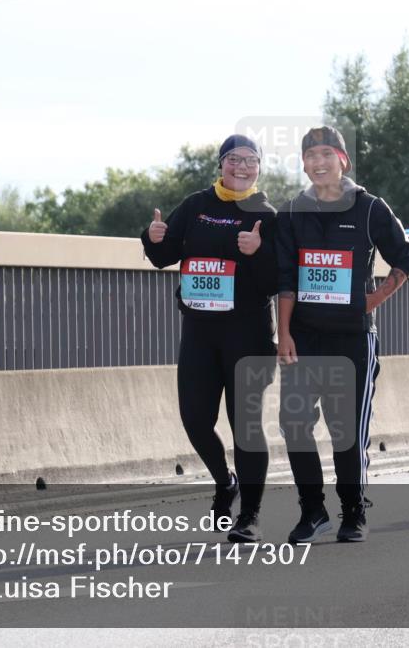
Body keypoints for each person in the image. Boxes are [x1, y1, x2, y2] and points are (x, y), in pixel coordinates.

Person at [275, 126, 409, 544]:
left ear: (343, 160)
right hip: (302, 339)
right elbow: (285, 278)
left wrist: (371, 302)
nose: (318, 162)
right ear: (303, 164)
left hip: (352, 340)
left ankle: (353, 511)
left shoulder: (370, 208)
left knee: (346, 430)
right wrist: (282, 332)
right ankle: (313, 510)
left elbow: (406, 258)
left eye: (327, 153)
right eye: (310, 156)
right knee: (294, 424)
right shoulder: (289, 214)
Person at [141, 134, 277, 543]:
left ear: (259, 168)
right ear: (220, 165)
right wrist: (154, 237)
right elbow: (165, 256)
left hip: (248, 335)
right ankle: (225, 482)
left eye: (250, 160)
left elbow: (276, 280)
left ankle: (249, 515)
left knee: (246, 427)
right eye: (233, 159)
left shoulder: (266, 214)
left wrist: (257, 252)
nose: (241, 166)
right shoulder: (197, 206)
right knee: (195, 419)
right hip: (200, 332)